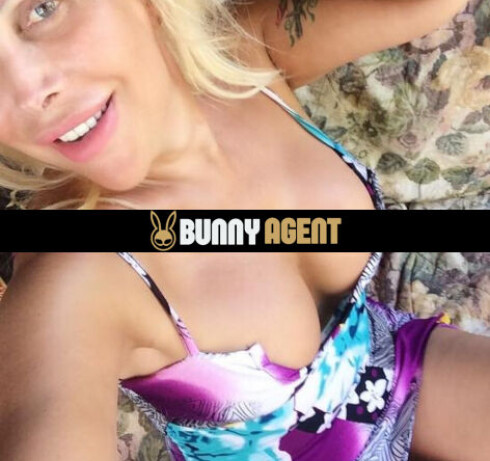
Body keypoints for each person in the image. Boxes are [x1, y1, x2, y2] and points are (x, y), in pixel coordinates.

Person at [0, 1, 488, 460]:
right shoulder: (70, 274)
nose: (28, 93)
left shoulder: (245, 54)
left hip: (394, 364)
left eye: (43, 8)